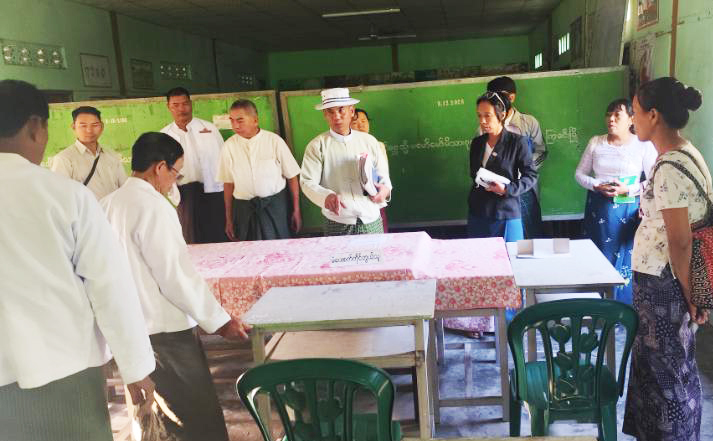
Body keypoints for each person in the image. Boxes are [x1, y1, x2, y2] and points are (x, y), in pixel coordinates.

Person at [0, 79, 155, 441]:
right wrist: (135, 368)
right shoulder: (65, 196)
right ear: (35, 127)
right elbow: (109, 286)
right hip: (66, 368)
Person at [101, 132, 251, 441]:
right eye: (175, 172)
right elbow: (175, 276)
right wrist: (220, 322)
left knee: (162, 415)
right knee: (195, 418)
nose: (174, 181)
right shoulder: (153, 206)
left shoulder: (107, 204)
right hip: (166, 331)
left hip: (131, 329)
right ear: (159, 167)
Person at [623, 77, 710, 441]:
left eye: (635, 111)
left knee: (667, 377)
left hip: (665, 286)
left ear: (654, 115)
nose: (632, 119)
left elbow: (679, 241)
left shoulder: (670, 166)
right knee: (666, 369)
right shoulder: (685, 152)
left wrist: (692, 297)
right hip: (664, 283)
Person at [575, 98, 657, 304]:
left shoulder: (643, 145)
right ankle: (596, 305)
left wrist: (628, 189)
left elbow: (654, 180)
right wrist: (596, 185)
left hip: (627, 211)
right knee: (596, 255)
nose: (611, 119)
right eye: (608, 114)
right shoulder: (596, 142)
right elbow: (579, 174)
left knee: (624, 258)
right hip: (598, 208)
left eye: (617, 115)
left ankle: (622, 307)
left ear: (631, 119)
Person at [301, 88, 392, 235]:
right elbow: (307, 182)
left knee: (375, 250)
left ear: (351, 111)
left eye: (341, 110)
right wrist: (326, 196)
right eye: (330, 111)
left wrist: (385, 189)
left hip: (370, 216)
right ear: (325, 114)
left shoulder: (369, 141)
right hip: (338, 219)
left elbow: (383, 175)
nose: (336, 116)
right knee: (339, 251)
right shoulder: (317, 146)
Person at [217, 99, 301, 241]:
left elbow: (292, 176)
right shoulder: (228, 146)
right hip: (244, 210)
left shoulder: (274, 141)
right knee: (248, 250)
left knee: (278, 248)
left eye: (240, 120)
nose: (235, 125)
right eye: (232, 120)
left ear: (255, 120)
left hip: (274, 208)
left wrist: (296, 210)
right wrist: (229, 219)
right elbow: (228, 184)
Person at [468, 91, 536, 242]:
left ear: (502, 115)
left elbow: (531, 176)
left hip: (506, 212)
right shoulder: (477, 143)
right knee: (479, 255)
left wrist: (506, 189)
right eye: (479, 116)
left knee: (510, 254)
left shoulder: (517, 142)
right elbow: (473, 173)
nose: (482, 121)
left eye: (487, 115)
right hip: (478, 211)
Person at [161, 87, 227, 244]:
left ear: (191, 104)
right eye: (175, 105)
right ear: (168, 107)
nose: (181, 109)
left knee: (219, 236)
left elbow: (224, 161)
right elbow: (162, 170)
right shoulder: (164, 136)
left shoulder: (209, 128)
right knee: (192, 239)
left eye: (185, 104)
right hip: (185, 195)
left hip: (214, 191)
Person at [487, 76, 547, 238]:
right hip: (496, 189)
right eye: (489, 96)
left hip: (523, 187)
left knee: (529, 232)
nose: (492, 100)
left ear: (511, 97)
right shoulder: (486, 125)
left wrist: (523, 170)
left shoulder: (528, 122)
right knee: (501, 233)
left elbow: (541, 151)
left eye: (497, 96)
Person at [50, 106, 127, 199]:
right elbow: (60, 196)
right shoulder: (64, 159)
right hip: (84, 209)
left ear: (102, 127)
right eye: (83, 125)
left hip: (113, 208)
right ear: (73, 127)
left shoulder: (111, 156)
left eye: (95, 125)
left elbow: (124, 189)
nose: (89, 130)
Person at [351, 107, 390, 232]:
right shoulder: (346, 146)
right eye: (355, 122)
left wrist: (382, 191)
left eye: (364, 121)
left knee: (379, 232)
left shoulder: (378, 145)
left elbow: (384, 174)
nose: (361, 125)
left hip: (375, 197)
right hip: (354, 201)